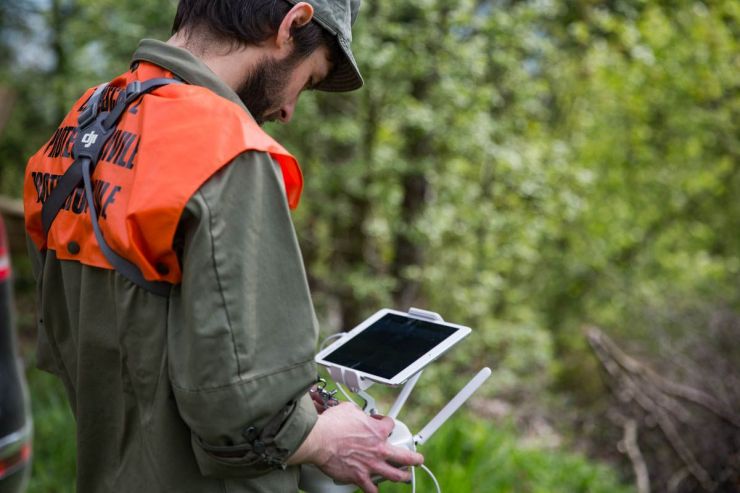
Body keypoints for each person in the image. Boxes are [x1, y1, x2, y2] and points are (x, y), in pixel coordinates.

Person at [23, 1, 423, 492]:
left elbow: (77, 338)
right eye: (308, 78)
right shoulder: (226, 151)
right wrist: (324, 439)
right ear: (292, 24)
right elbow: (244, 417)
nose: (289, 110)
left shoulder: (83, 125)